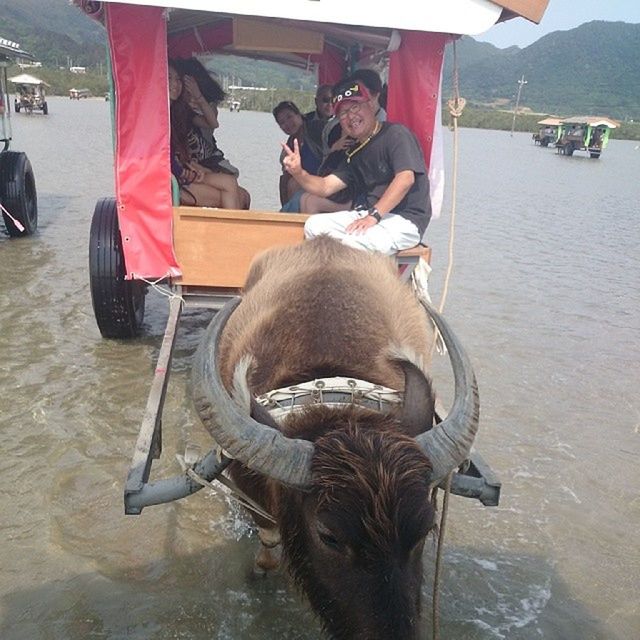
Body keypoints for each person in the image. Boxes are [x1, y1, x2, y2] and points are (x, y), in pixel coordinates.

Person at [281, 80, 431, 256]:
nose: (350, 116)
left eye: (355, 107)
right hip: (369, 215)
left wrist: (373, 216)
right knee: (313, 226)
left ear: (370, 105)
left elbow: (405, 178)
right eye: (343, 113)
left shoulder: (396, 134)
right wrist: (299, 172)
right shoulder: (355, 150)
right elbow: (325, 186)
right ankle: (325, 274)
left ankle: (342, 279)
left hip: (404, 219)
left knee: (354, 242)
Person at [169, 60, 244, 209]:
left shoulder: (180, 113)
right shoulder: (158, 115)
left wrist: (198, 96)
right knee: (232, 193)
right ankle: (230, 232)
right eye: (169, 78)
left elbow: (213, 123)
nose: (175, 84)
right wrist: (183, 171)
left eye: (178, 80)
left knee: (230, 183)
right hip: (173, 179)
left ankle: (231, 231)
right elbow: (164, 156)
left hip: (188, 170)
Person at [273, 100, 323, 208]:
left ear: (298, 114)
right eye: (282, 122)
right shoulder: (289, 145)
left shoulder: (315, 130)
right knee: (285, 180)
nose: (287, 124)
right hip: (304, 183)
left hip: (323, 181)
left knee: (293, 184)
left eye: (289, 117)